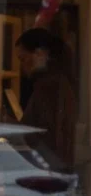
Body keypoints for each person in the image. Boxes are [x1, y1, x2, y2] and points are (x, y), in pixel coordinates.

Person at [15, 28, 77, 170]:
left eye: (23, 59)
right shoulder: (54, 82)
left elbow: (45, 135)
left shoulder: (50, 86)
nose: (22, 66)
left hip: (47, 170)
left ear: (39, 54)